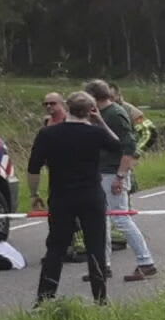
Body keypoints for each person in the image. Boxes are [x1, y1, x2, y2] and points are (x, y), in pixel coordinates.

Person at [28, 92, 122, 304]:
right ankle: (100, 299)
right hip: (91, 196)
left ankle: (44, 299)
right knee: (95, 247)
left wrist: (34, 194)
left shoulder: (47, 134)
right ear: (91, 110)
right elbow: (117, 145)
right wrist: (100, 121)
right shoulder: (95, 134)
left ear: (67, 108)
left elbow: (33, 168)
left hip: (61, 197)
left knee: (56, 247)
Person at [84, 79, 158, 282]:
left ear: (93, 97)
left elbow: (128, 146)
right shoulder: (104, 114)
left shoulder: (115, 114)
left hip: (113, 172)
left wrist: (120, 176)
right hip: (104, 172)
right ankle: (103, 265)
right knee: (102, 220)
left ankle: (146, 262)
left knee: (121, 218)